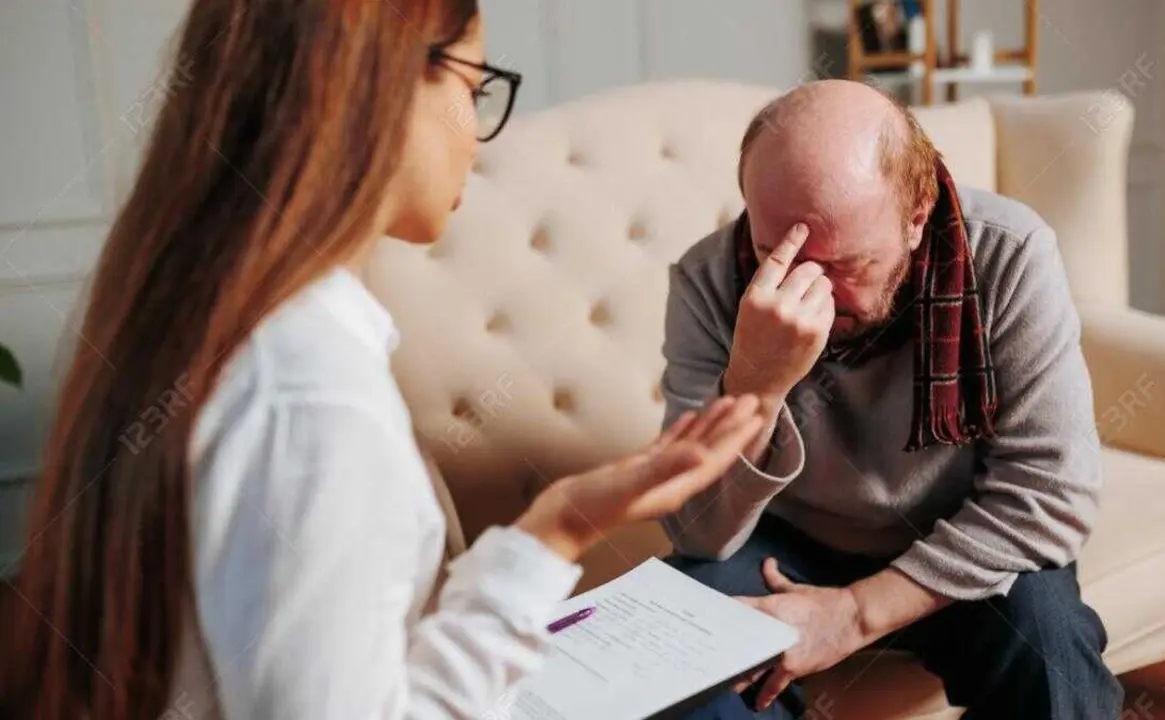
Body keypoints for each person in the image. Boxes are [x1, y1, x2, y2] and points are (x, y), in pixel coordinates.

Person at [0, 2, 766, 719]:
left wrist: (561, 523)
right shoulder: (312, 397)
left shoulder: (221, 324)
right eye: (473, 85)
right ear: (385, 87)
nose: (479, 132)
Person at [660, 80, 1124, 719]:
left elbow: (1050, 497)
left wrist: (853, 614)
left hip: (959, 535)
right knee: (680, 656)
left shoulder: (1008, 254)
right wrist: (756, 386)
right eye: (776, 253)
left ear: (916, 215)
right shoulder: (708, 281)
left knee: (1050, 648)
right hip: (786, 542)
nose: (808, 291)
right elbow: (697, 531)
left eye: (847, 264)